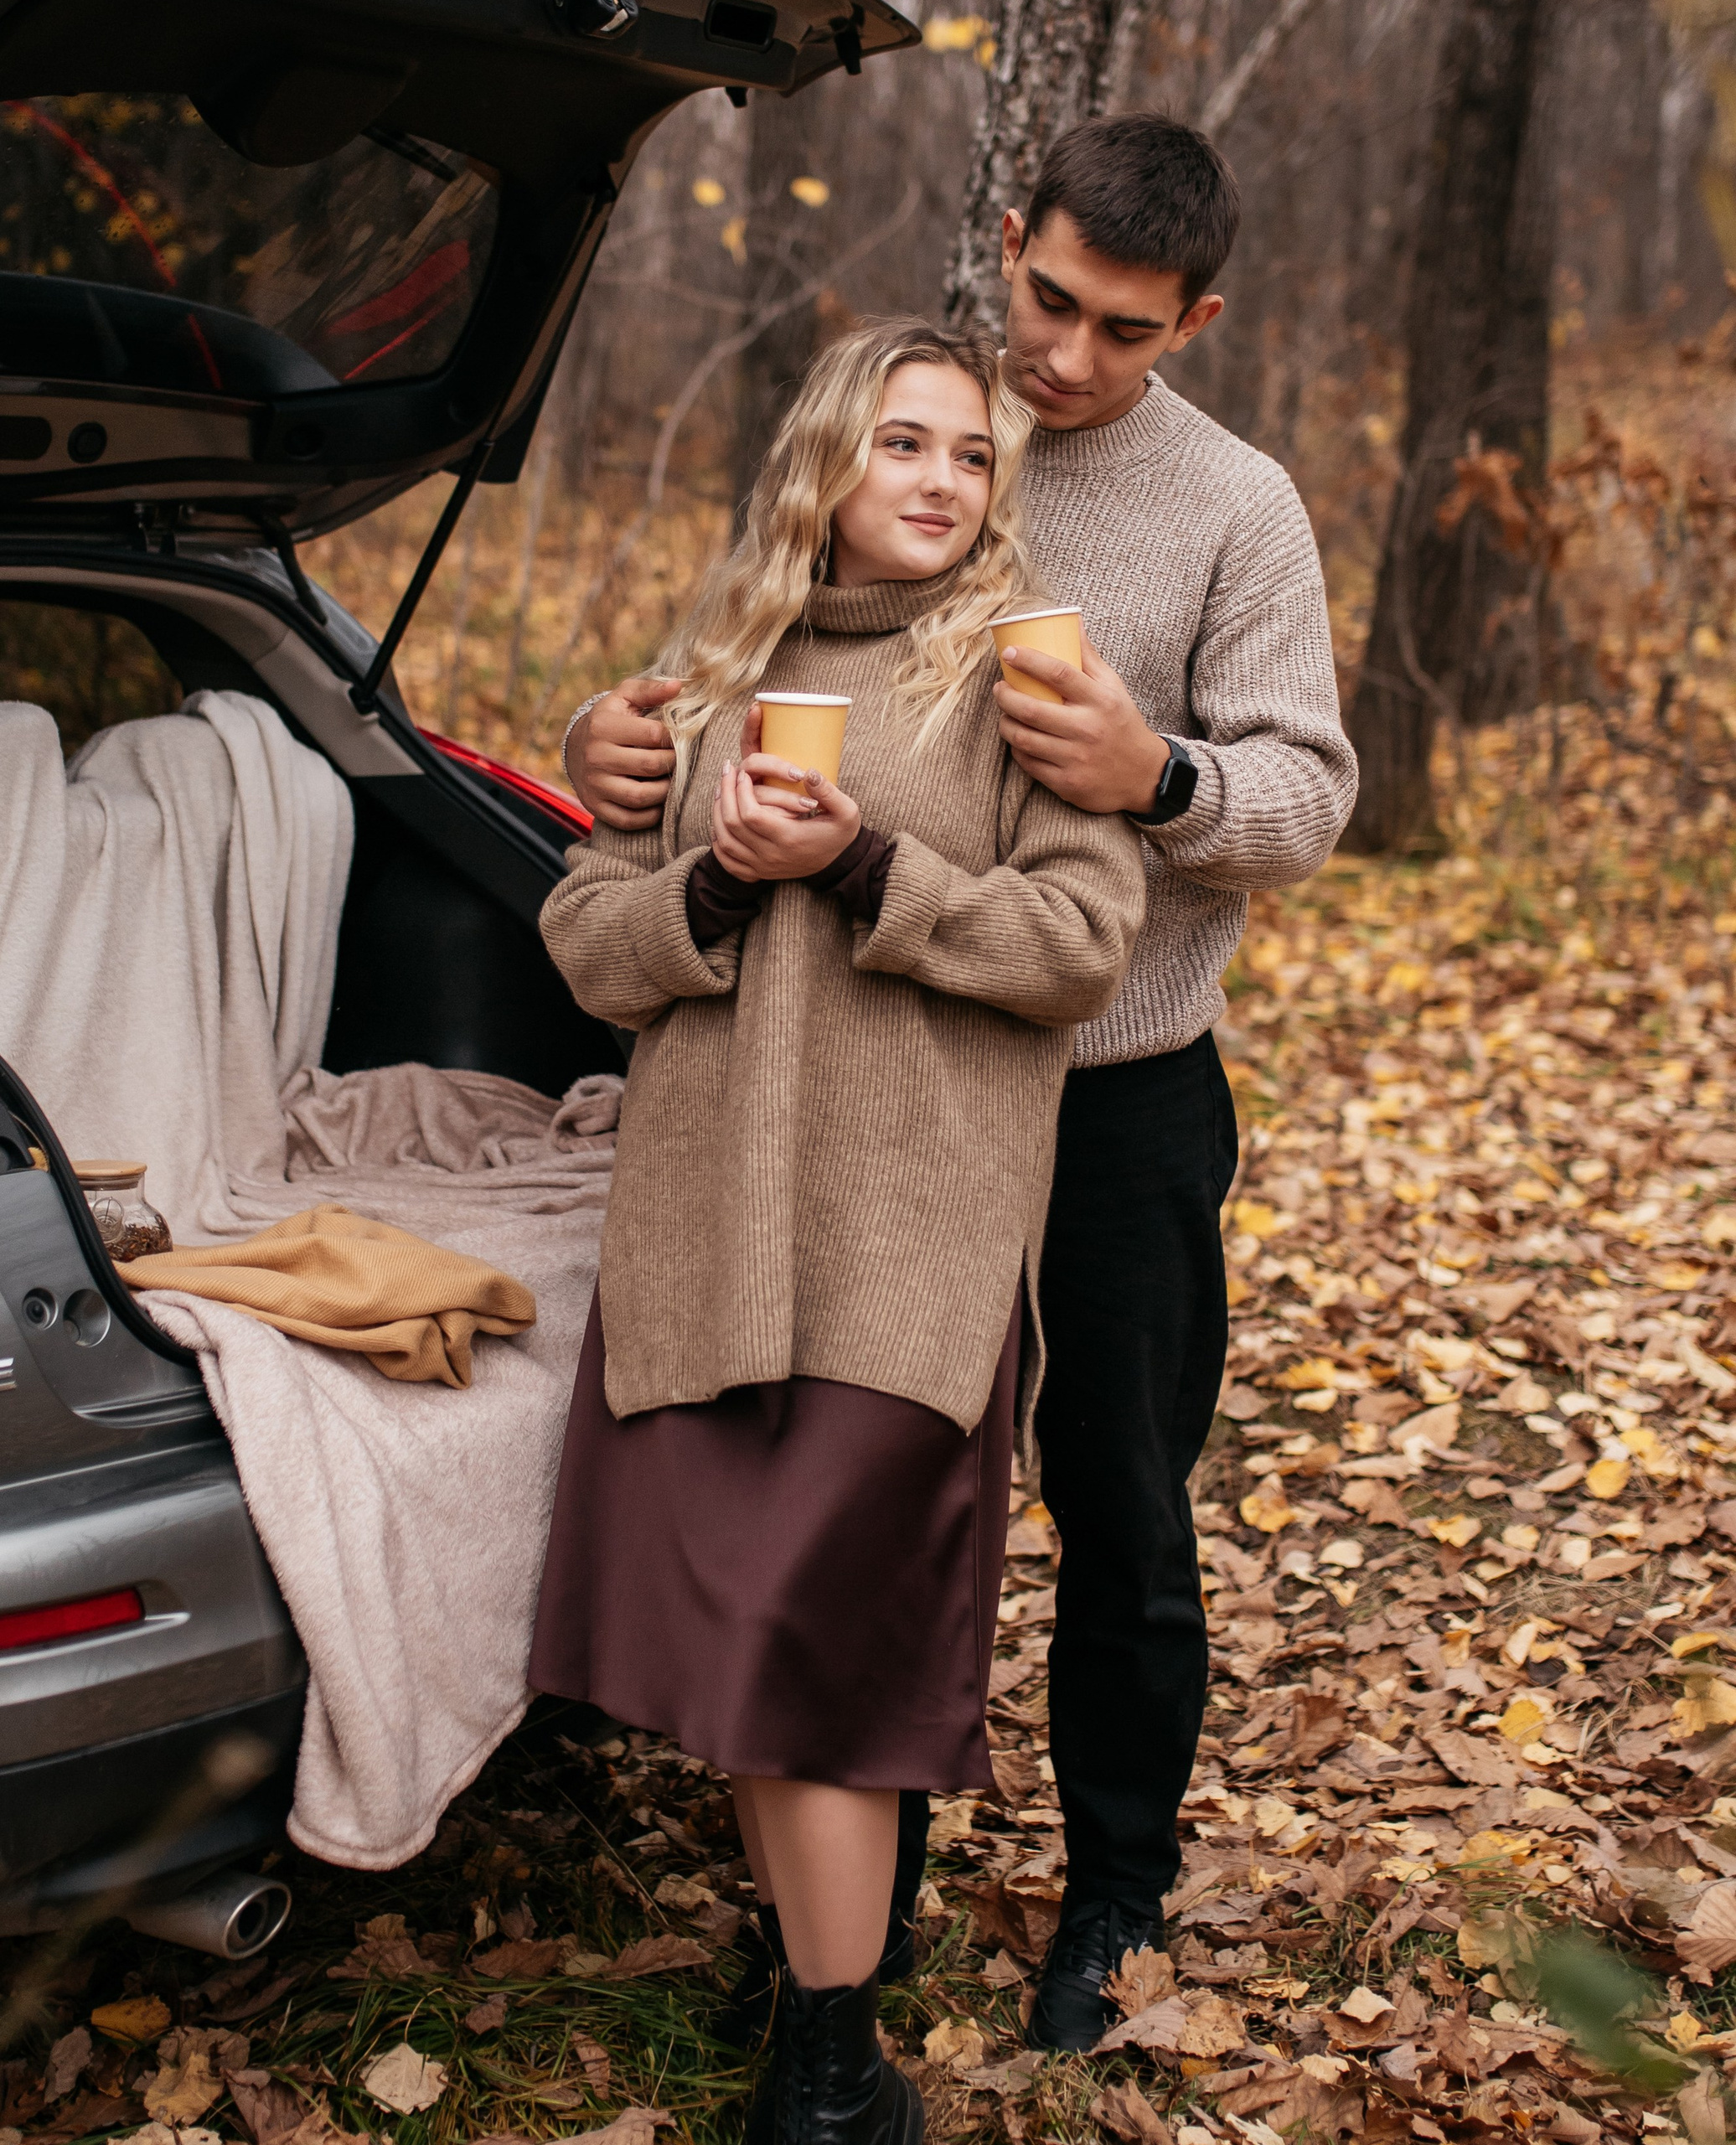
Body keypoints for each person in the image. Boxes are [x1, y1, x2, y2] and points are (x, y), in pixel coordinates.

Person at [555, 115, 1357, 2050]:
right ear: (1007, 242)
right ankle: (850, 1917)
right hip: (878, 1089)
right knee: (865, 1491)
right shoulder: (908, 430)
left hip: (1110, 1083)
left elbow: (1306, 794)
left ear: (1195, 321)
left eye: (1123, 332)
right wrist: (605, 740)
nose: (1064, 359)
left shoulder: (1233, 507)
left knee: (1114, 1498)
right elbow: (733, 664)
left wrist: (1151, 777)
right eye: (1047, 302)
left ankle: (1112, 1885)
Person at [529, 317, 1145, 2145]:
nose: (941, 481)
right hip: (708, 1226)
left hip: (913, 1239)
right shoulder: (705, 669)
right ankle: (828, 1999)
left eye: (968, 453)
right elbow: (583, 937)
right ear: (825, 459)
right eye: (901, 444)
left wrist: (864, 864)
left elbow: (1076, 948)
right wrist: (714, 875)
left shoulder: (1023, 677)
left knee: (812, 1644)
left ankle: (828, 2067)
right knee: (742, 1648)